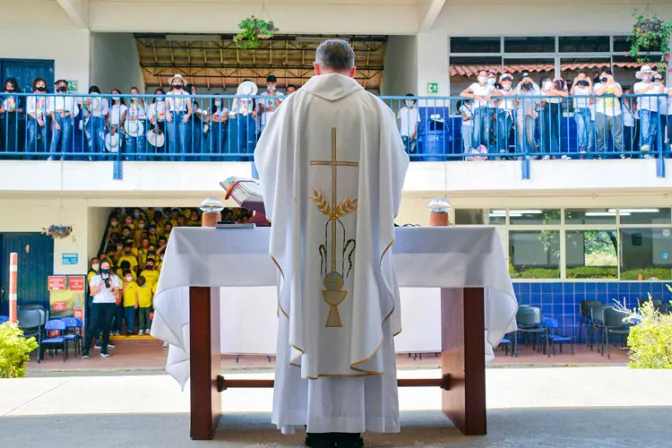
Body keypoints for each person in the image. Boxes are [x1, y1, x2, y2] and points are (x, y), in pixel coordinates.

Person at [255, 39, 409, 448]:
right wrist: (375, 214)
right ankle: (352, 426)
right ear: (354, 71)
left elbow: (267, 165)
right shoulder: (375, 109)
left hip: (309, 244)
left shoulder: (292, 108)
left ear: (316, 67)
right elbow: (397, 168)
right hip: (359, 240)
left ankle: (315, 428)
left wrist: (287, 213)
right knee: (358, 314)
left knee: (309, 310)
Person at [83, 259, 121, 358]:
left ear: (110, 268)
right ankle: (86, 349)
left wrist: (111, 287)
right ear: (100, 267)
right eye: (103, 267)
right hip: (97, 303)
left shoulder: (114, 277)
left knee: (107, 326)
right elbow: (93, 292)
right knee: (92, 325)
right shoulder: (95, 277)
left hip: (110, 303)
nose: (105, 269)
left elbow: (116, 293)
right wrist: (99, 285)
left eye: (107, 267)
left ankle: (104, 349)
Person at [460, 70, 498, 153]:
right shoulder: (474, 85)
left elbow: (499, 94)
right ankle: (475, 152)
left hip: (488, 110)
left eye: (485, 76)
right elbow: (462, 93)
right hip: (478, 110)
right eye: (481, 75)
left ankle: (484, 153)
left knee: (486, 133)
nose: (483, 77)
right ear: (478, 77)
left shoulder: (490, 87)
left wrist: (490, 95)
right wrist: (474, 96)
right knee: (476, 133)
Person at [594, 69, 623, 157]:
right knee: (601, 134)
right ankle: (600, 153)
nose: (604, 78)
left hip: (616, 112)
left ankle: (621, 152)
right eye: (602, 76)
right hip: (602, 112)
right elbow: (598, 93)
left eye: (606, 76)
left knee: (618, 135)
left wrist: (612, 82)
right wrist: (606, 83)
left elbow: (619, 94)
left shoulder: (616, 84)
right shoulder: (598, 85)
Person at [634, 66, 663, 154]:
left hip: (654, 110)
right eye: (645, 73)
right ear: (642, 75)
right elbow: (637, 92)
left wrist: (660, 82)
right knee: (645, 130)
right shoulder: (638, 84)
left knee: (652, 131)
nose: (647, 75)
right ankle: (643, 152)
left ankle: (649, 150)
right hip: (644, 109)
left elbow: (661, 92)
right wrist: (648, 88)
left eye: (649, 73)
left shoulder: (655, 84)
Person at [48, 79, 79, 160]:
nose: (62, 86)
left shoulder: (71, 97)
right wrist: (55, 121)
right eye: (60, 85)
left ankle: (63, 157)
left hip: (67, 117)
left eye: (64, 85)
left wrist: (68, 113)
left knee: (66, 138)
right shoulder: (53, 96)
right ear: (57, 86)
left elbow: (76, 111)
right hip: (56, 116)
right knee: (55, 138)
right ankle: (51, 156)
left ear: (67, 87)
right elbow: (51, 110)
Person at [165, 74, 192, 161]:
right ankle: (173, 161)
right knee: (172, 139)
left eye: (179, 81)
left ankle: (182, 161)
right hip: (172, 115)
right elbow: (166, 107)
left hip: (182, 115)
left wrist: (187, 115)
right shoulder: (169, 94)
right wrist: (167, 113)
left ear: (182, 83)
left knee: (183, 140)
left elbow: (190, 109)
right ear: (172, 83)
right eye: (175, 81)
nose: (177, 82)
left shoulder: (186, 93)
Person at [515, 73, 541, 156]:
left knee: (530, 136)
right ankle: (524, 153)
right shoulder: (519, 90)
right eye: (525, 80)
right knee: (521, 134)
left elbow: (538, 91)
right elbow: (518, 94)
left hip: (531, 114)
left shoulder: (533, 91)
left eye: (528, 80)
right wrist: (521, 83)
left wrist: (532, 81)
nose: (527, 82)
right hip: (521, 114)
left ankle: (535, 152)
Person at [26, 78, 49, 158]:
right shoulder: (31, 96)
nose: (41, 86)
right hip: (33, 118)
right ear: (35, 85)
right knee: (32, 138)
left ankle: (43, 158)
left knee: (44, 139)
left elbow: (49, 110)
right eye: (39, 84)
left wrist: (42, 113)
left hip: (44, 118)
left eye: (43, 84)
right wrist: (38, 119)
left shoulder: (48, 96)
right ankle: (30, 158)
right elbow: (29, 110)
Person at [570, 72, 593, 154]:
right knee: (581, 125)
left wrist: (590, 82)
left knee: (587, 130)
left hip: (587, 110)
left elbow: (590, 93)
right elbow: (571, 93)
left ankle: (585, 148)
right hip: (578, 110)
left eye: (584, 77)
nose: (582, 79)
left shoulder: (587, 87)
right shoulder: (575, 87)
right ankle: (581, 146)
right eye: (580, 77)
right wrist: (574, 82)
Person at [0, 78, 24, 155]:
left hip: (16, 118)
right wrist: (1, 110)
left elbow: (25, 109)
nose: (10, 88)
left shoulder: (20, 95)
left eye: (12, 87)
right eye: (8, 86)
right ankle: (5, 156)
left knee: (14, 138)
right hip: (4, 118)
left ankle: (15, 156)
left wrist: (15, 110)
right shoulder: (2, 95)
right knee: (4, 137)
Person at [122, 270, 139, 336]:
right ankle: (129, 329)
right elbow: (122, 293)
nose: (130, 277)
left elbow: (136, 294)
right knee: (126, 317)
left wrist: (136, 303)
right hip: (126, 304)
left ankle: (130, 330)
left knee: (131, 317)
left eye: (130, 275)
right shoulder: (123, 284)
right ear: (124, 277)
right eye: (128, 276)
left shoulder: (134, 284)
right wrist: (125, 286)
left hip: (132, 304)